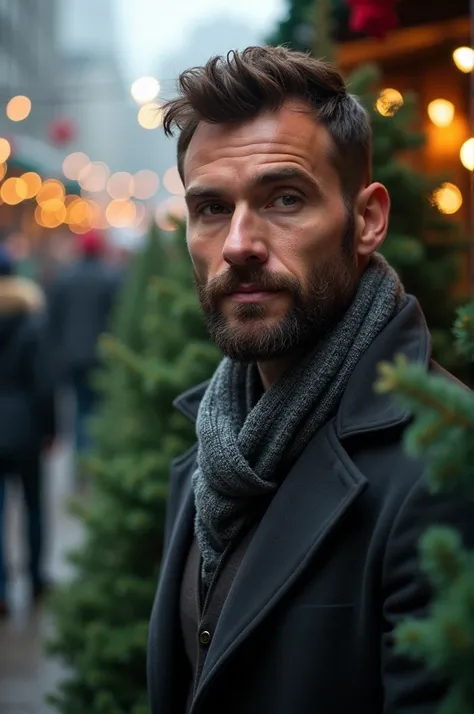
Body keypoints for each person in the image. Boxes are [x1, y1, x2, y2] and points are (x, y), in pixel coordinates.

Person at [147, 46, 473, 714]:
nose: (239, 243)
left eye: (284, 198)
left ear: (367, 220)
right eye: (211, 208)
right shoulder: (212, 453)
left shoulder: (448, 464)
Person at [0, 246, 55, 615]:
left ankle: (1, 591)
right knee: (34, 506)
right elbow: (44, 383)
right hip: (26, 429)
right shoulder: (32, 319)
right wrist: (51, 429)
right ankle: (36, 580)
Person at [48, 229, 121, 456]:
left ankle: (82, 455)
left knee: (79, 407)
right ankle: (94, 454)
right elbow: (117, 317)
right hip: (101, 354)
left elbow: (52, 320)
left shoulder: (64, 278)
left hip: (72, 356)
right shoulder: (110, 278)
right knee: (98, 406)